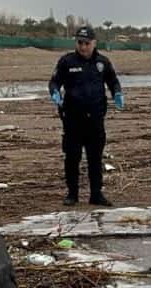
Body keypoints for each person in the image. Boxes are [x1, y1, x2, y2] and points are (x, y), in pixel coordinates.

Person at [49, 25, 123, 206]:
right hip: (73, 120)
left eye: (86, 43)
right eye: (80, 43)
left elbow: (113, 82)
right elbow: (54, 82)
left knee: (95, 158)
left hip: (96, 120)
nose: (83, 47)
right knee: (72, 157)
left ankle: (96, 194)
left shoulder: (103, 62)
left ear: (94, 43)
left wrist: (118, 94)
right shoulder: (67, 61)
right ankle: (72, 194)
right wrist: (55, 93)